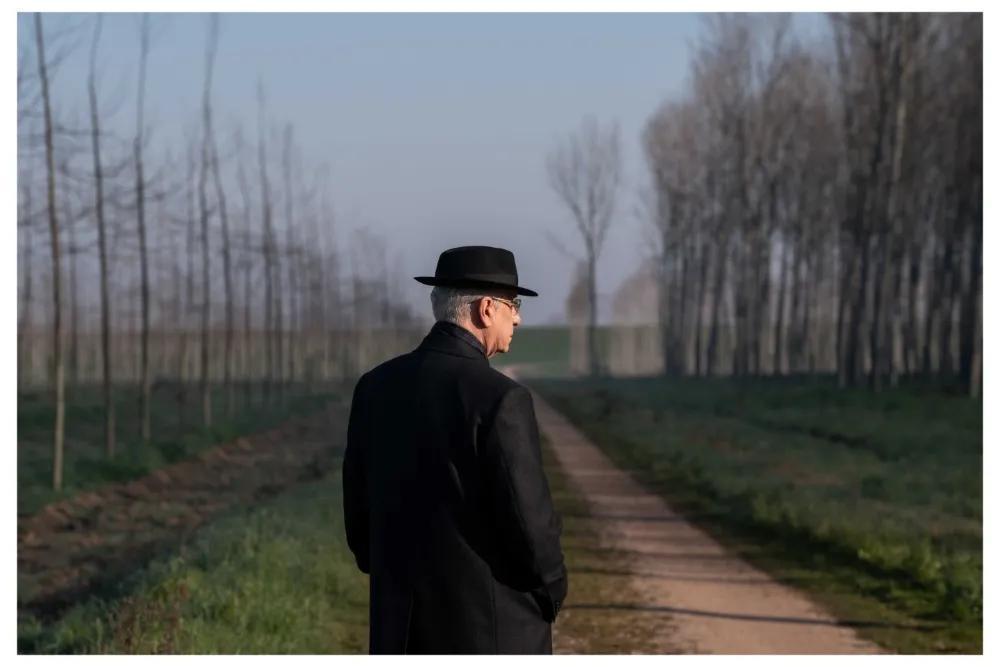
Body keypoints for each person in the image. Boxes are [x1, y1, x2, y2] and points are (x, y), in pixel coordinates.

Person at [342, 245, 568, 654]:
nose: (517, 317)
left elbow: (359, 520)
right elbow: (531, 524)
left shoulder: (374, 387)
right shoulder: (501, 399)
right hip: (490, 630)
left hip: (400, 629)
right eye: (512, 304)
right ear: (486, 310)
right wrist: (552, 589)